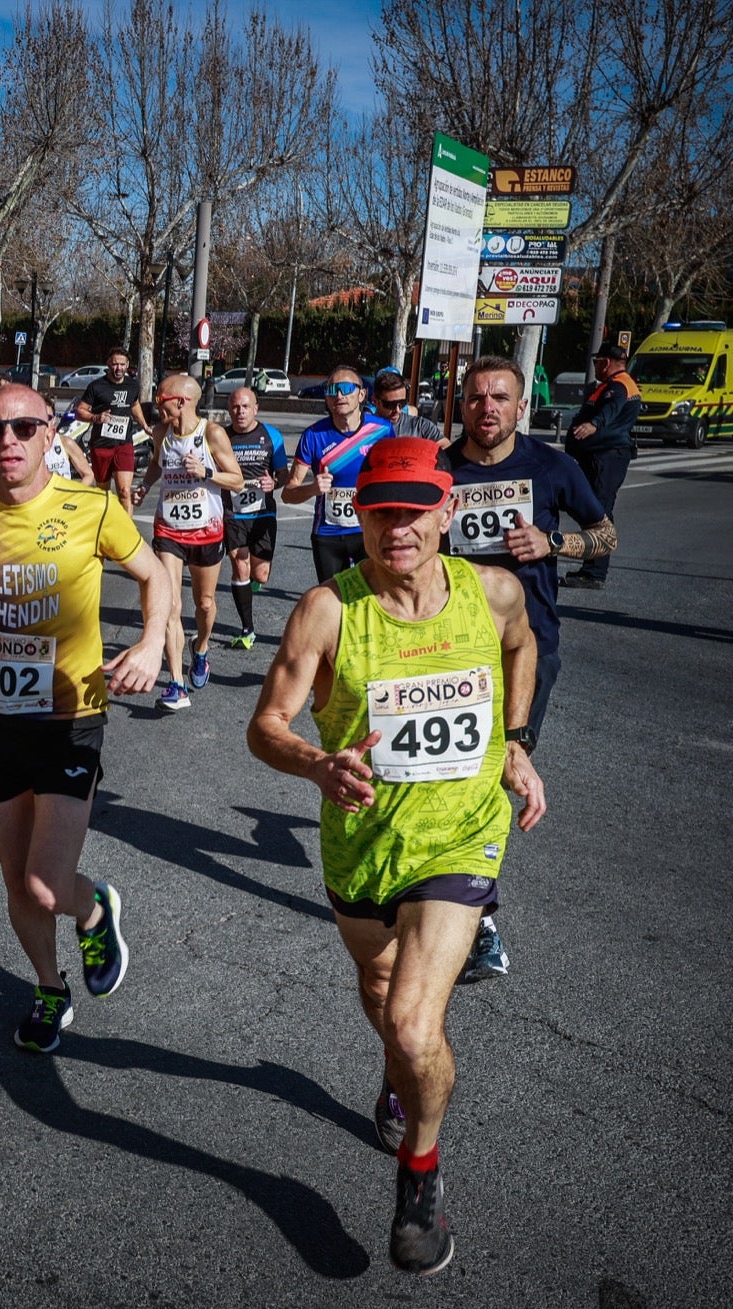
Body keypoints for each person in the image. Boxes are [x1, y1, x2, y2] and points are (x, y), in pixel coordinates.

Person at [246, 435, 546, 1276]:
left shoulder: (492, 592)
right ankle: (397, 1073)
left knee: (416, 1023)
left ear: (446, 509)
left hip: (462, 835)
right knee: (382, 998)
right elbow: (264, 727)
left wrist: (516, 739)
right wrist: (317, 762)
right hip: (364, 847)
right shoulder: (328, 611)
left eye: (415, 510)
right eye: (381, 511)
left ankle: (420, 1172)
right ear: (360, 516)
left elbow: (522, 646)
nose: (398, 527)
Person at [0, 382, 170, 1052]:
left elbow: (154, 575)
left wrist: (151, 642)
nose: (8, 441)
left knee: (45, 879)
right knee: (16, 881)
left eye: (23, 428)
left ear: (50, 433)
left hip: (70, 715)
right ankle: (49, 989)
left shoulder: (91, 507)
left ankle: (93, 909)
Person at [445, 356, 615, 980]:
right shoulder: (440, 468)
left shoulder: (552, 466)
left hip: (528, 648)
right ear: (461, 405)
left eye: (499, 397)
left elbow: (606, 534)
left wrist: (554, 543)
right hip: (451, 646)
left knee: (493, 773)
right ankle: (457, 902)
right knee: (455, 774)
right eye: (475, 397)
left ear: (521, 407)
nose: (486, 407)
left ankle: (479, 920)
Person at [132, 375, 245, 708]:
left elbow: (237, 481)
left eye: (161, 399)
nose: (156, 405)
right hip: (169, 530)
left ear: (181, 401)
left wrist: (206, 473)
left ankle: (201, 648)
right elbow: (157, 464)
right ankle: (176, 684)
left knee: (205, 604)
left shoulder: (212, 434)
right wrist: (145, 486)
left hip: (207, 531)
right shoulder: (161, 433)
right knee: (170, 605)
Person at [280, 366, 396, 582]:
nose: (339, 395)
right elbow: (288, 493)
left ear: (361, 394)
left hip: (368, 532)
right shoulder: (313, 436)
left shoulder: (383, 430)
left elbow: (394, 478)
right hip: (328, 535)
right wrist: (312, 488)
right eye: (332, 390)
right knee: (332, 597)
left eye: (346, 388)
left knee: (369, 594)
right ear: (326, 397)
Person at [561, 343, 639, 589]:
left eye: (597, 362)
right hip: (600, 456)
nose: (595, 366)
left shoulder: (619, 386)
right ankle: (592, 568)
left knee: (599, 511)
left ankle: (595, 571)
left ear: (606, 362)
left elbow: (611, 410)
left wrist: (594, 424)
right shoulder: (613, 384)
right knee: (592, 508)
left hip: (606, 457)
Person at [220, 386, 288, 648]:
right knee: (240, 565)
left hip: (263, 512)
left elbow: (283, 474)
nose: (240, 411)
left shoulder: (271, 435)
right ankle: (247, 629)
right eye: (235, 407)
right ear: (229, 410)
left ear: (256, 409)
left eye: (246, 406)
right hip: (232, 513)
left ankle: (253, 582)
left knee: (261, 575)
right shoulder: (221, 436)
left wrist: (274, 483)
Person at [73, 349, 150, 512]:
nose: (118, 368)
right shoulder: (96, 386)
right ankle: (106, 522)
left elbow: (134, 404)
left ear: (127, 365)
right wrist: (96, 417)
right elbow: (80, 411)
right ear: (108, 364)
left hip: (124, 444)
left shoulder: (133, 385)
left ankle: (127, 526)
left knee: (124, 491)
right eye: (115, 364)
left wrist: (144, 425)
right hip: (101, 445)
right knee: (103, 492)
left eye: (122, 364)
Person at [373, 370, 445, 444]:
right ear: (375, 401)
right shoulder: (366, 429)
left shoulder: (421, 427)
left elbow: (445, 445)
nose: (397, 410)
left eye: (402, 403)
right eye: (390, 405)